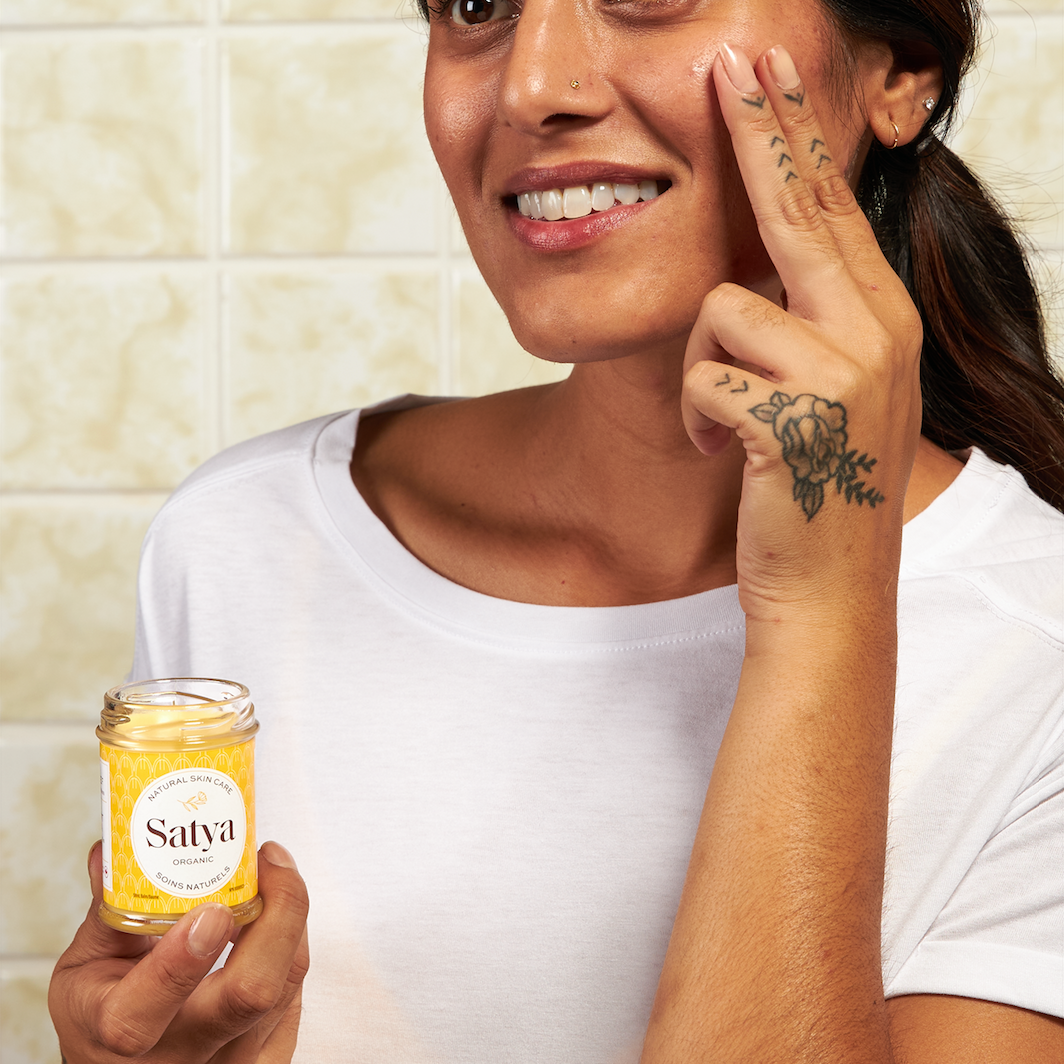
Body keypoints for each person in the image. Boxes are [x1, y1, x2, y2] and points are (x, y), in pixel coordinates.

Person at [48, 0, 1063, 1059]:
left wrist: (819, 622)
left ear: (895, 73)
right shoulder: (243, 543)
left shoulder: (1037, 652)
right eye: (475, 6)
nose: (531, 87)